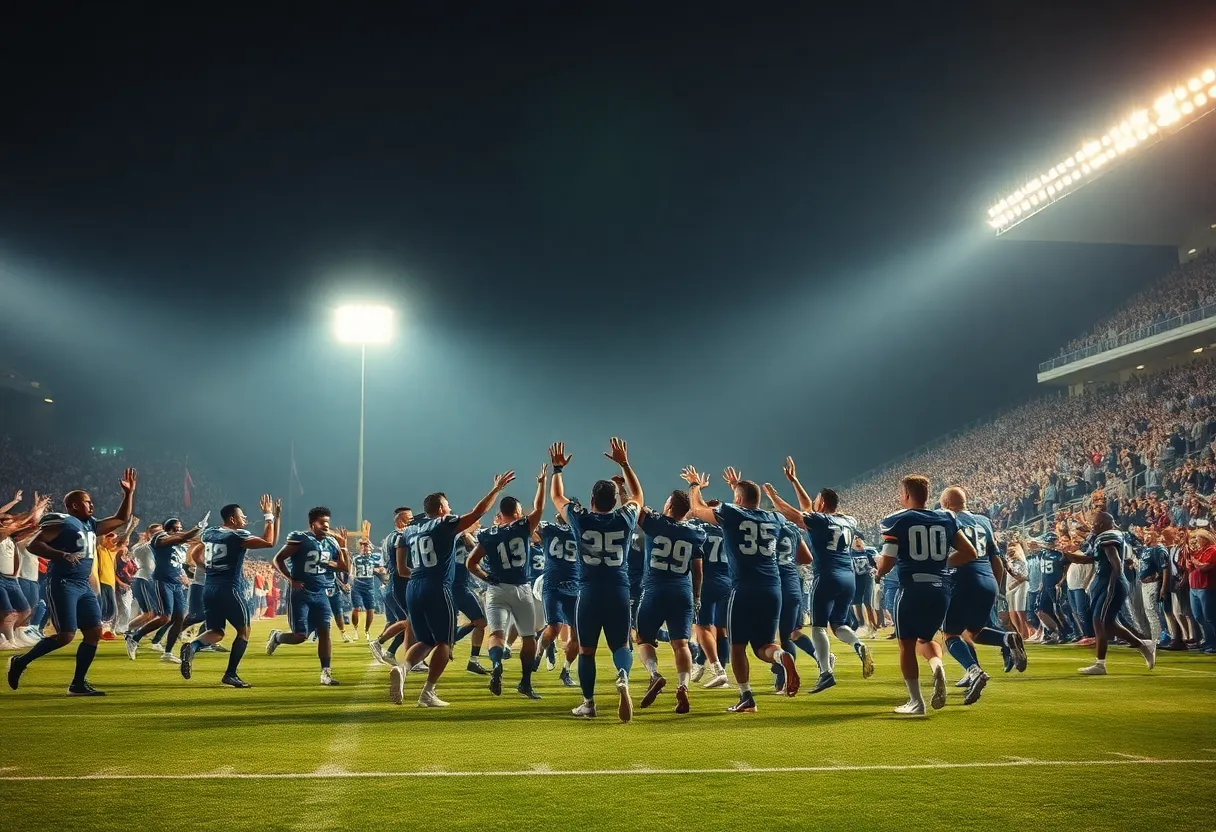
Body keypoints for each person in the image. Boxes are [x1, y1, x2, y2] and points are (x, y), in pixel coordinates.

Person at [7, 468, 138, 696]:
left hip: (83, 585)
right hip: (63, 582)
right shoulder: (63, 522)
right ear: (74, 505)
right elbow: (34, 545)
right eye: (87, 502)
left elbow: (121, 519)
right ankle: (20, 661)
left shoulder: (91, 525)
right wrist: (62, 555)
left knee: (94, 632)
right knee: (66, 635)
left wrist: (128, 494)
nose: (92, 505)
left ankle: (77, 683)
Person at [389, 473, 516, 708]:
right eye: (447, 505)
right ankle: (427, 692)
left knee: (425, 640)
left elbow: (401, 568)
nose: (450, 508)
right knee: (443, 643)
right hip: (437, 586)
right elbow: (477, 513)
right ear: (440, 509)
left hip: (413, 587)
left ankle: (403, 668)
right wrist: (496, 489)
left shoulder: (408, 531)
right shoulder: (443, 523)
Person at [682, 465, 797, 714]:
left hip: (744, 587)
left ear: (738, 499)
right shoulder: (775, 518)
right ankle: (780, 657)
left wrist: (694, 486)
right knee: (764, 645)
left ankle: (746, 696)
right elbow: (756, 507)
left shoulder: (731, 513)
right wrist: (739, 488)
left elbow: (698, 509)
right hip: (773, 587)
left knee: (737, 646)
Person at [549, 439, 642, 721]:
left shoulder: (581, 517)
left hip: (588, 591)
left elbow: (557, 497)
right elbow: (637, 496)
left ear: (591, 501)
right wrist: (625, 464)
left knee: (586, 651)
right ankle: (622, 676)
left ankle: (589, 703)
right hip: (618, 588)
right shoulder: (625, 517)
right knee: (622, 646)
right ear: (615, 501)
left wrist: (557, 469)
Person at [765, 460, 872, 695]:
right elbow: (807, 507)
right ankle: (859, 645)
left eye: (816, 501)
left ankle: (825, 673)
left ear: (821, 503)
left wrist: (774, 497)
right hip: (849, 578)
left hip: (827, 576)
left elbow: (794, 514)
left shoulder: (820, 520)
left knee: (819, 628)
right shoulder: (849, 520)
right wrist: (794, 481)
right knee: (840, 624)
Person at [874, 474, 977, 715]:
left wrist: (878, 573)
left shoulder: (895, 520)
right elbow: (969, 552)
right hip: (940, 589)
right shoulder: (946, 518)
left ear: (907, 495)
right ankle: (937, 666)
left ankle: (916, 702)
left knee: (906, 645)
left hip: (911, 588)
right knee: (927, 639)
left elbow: (887, 563)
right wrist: (940, 564)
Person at [179, 496, 281, 687]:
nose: (245, 518)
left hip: (209, 588)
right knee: (244, 631)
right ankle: (231, 674)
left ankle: (192, 646)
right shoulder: (238, 535)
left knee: (217, 631)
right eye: (242, 516)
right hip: (229, 589)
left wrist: (208, 567)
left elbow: (194, 554)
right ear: (232, 519)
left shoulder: (210, 533)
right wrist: (268, 515)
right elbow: (268, 542)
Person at [938, 486, 1025, 706]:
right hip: (987, 579)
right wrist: (994, 587)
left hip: (961, 579)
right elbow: (997, 559)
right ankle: (1006, 638)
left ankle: (974, 671)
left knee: (950, 634)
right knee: (974, 632)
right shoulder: (984, 521)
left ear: (947, 503)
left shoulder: (945, 519)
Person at [467, 465, 548, 699]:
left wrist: (486, 577)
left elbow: (471, 564)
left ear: (500, 514)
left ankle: (495, 666)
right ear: (517, 512)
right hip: (521, 588)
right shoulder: (523, 526)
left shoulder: (489, 534)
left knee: (497, 634)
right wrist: (541, 483)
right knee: (528, 637)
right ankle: (525, 682)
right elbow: (540, 507)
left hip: (496, 589)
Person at [633, 487, 706, 714]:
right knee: (681, 644)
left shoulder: (657, 523)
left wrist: (624, 481)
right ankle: (683, 686)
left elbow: (634, 504)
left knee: (643, 638)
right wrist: (696, 597)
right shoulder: (696, 532)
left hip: (655, 589)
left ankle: (654, 675)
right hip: (682, 592)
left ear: (670, 507)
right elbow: (698, 570)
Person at [1062, 512, 1155, 676]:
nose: (1093, 526)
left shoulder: (1108, 538)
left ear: (1103, 524)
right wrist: (1071, 557)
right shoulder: (1104, 538)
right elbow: (1092, 558)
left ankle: (1101, 663)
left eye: (1096, 523)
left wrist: (1112, 586)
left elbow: (1116, 565)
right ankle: (1143, 644)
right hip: (1105, 583)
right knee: (1107, 623)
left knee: (1100, 621)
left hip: (1111, 583)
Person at [267, 507, 349, 686]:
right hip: (301, 593)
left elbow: (344, 568)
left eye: (328, 522)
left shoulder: (332, 542)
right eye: (322, 522)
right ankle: (277, 637)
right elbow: (278, 559)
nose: (326, 526)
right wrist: (290, 579)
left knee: (325, 632)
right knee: (300, 636)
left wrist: (343, 546)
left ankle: (325, 673)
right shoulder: (300, 538)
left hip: (321, 593)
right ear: (312, 524)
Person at [126, 517, 204, 663]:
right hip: (162, 581)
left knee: (179, 618)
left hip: (176, 583)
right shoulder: (160, 538)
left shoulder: (179, 541)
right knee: (165, 617)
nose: (179, 530)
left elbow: (191, 539)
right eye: (176, 528)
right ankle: (134, 638)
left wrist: (204, 533)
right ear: (168, 529)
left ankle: (167, 653)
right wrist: (197, 527)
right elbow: (185, 537)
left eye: (180, 527)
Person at [535, 512, 580, 687]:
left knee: (577, 633)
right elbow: (531, 529)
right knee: (554, 626)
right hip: (553, 584)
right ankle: (538, 655)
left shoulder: (580, 530)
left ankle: (566, 671)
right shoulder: (551, 528)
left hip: (574, 587)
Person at [691, 510, 731, 688]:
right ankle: (707, 665)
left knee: (702, 627)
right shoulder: (729, 530)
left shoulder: (700, 529)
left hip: (707, 581)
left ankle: (717, 670)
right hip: (728, 582)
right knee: (721, 631)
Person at [350, 535, 386, 640]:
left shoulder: (374, 557)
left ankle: (366, 631)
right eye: (363, 545)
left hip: (369, 584)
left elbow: (381, 566)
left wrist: (380, 571)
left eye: (366, 546)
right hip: (358, 583)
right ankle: (355, 629)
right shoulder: (356, 557)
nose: (365, 548)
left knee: (370, 610)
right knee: (356, 608)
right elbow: (352, 571)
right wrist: (350, 581)